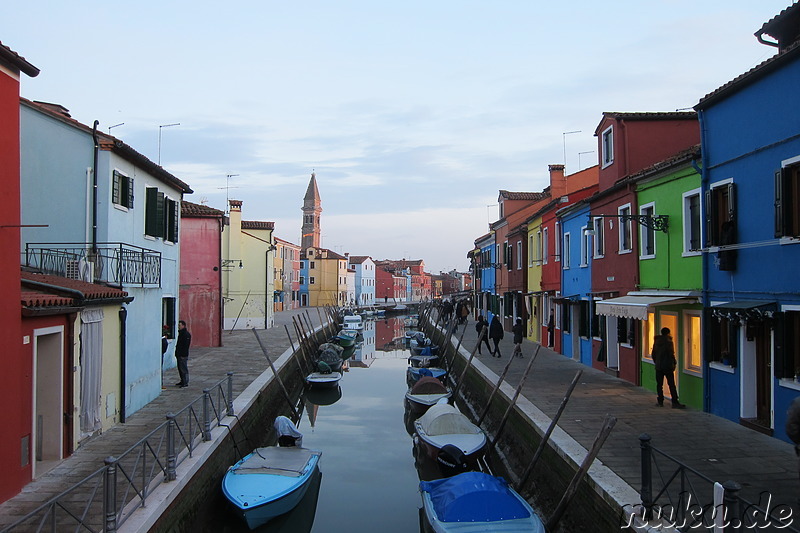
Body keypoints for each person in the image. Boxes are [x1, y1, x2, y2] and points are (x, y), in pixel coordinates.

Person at [651, 327, 684, 408]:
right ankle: (675, 402)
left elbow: (653, 354)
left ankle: (660, 401)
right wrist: (674, 363)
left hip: (658, 366)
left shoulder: (656, 341)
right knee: (671, 384)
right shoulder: (669, 342)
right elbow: (671, 354)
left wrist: (657, 362)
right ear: (668, 333)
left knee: (659, 384)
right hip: (667, 366)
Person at [175, 320, 191, 388]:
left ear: (183, 326)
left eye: (180, 325)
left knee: (183, 369)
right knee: (180, 368)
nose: (178, 327)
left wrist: (182, 354)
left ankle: (185, 382)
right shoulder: (181, 333)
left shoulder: (186, 334)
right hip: (179, 354)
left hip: (183, 355)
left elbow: (185, 346)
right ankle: (182, 380)